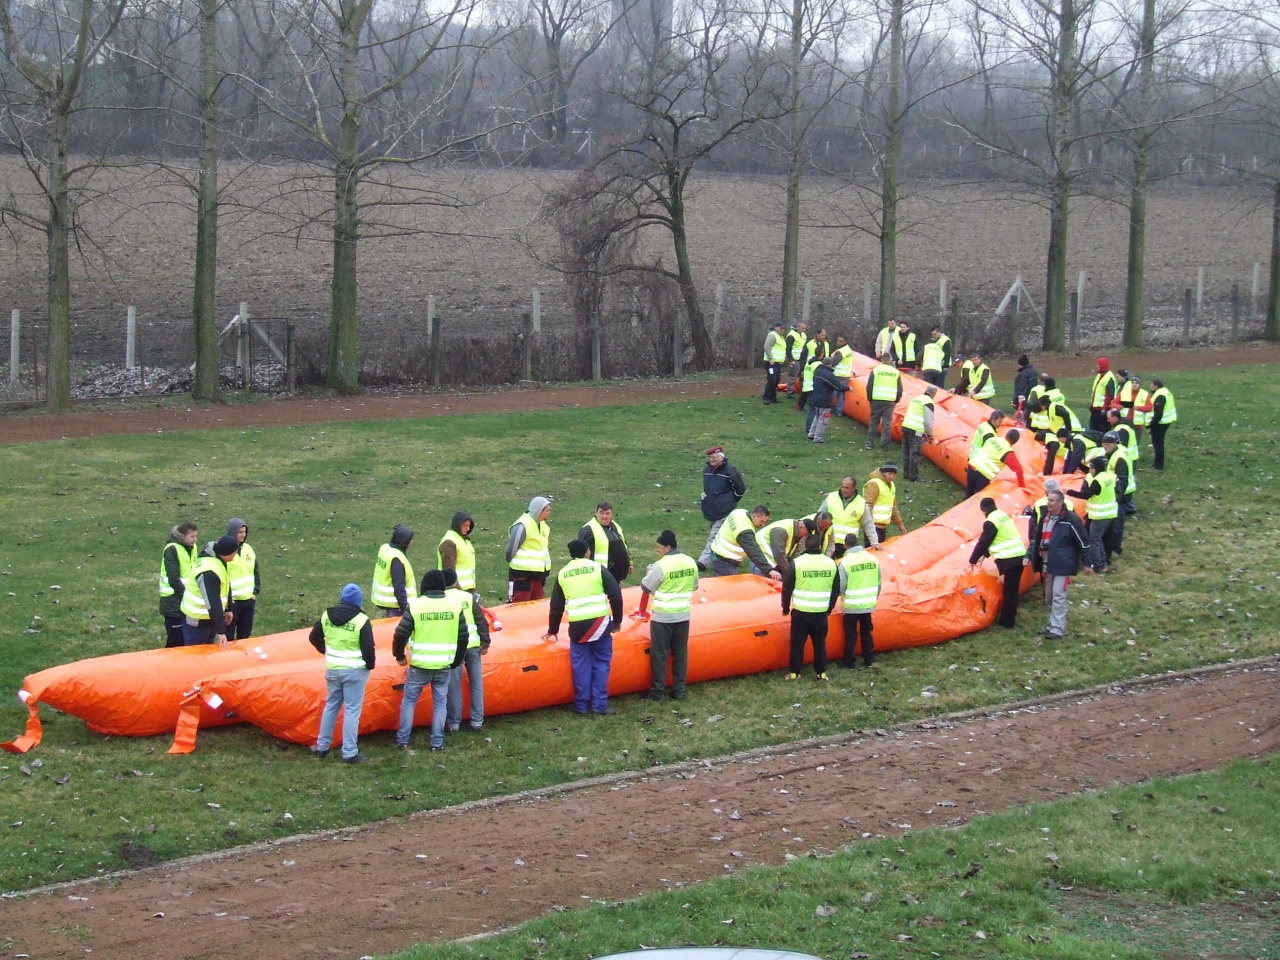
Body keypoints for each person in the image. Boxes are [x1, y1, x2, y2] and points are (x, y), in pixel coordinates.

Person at [545, 539, 624, 715]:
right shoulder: (597, 568)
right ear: (587, 552)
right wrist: (617, 620)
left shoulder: (563, 574)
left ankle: (581, 705)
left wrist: (553, 630)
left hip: (577, 627)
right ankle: (599, 705)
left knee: (580, 665)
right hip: (600, 624)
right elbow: (616, 596)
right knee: (601, 663)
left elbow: (556, 606)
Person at [393, 570, 468, 752]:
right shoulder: (455, 607)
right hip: (443, 664)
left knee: (409, 702)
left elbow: (401, 633)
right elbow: (463, 638)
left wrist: (399, 655)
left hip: (419, 664)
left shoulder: (416, 606)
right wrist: (456, 661)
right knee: (440, 703)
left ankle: (402, 740)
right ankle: (437, 742)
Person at [309, 583, 375, 764]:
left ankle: (322, 747)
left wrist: (327, 652)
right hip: (355, 671)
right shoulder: (361, 620)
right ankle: (349, 752)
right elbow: (368, 648)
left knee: (331, 706)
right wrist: (370, 665)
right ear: (359, 602)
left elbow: (313, 637)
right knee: (352, 712)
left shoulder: (326, 616)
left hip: (334, 669)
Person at [633, 530, 699, 701]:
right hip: (683, 616)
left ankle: (658, 691)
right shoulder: (690, 562)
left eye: (659, 547)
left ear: (668, 548)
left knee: (660, 654)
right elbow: (695, 586)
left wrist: (649, 572)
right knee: (680, 653)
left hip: (663, 618)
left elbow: (646, 588)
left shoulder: (660, 566)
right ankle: (679, 690)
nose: (657, 550)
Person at [1026, 488, 1088, 640]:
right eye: (1048, 500)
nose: (1049, 503)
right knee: (1049, 596)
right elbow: (1037, 538)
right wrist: (1030, 555)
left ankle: (1057, 629)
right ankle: (1051, 624)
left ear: (1060, 503)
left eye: (1052, 501)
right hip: (1047, 562)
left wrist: (1088, 562)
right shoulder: (1045, 518)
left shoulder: (1070, 519)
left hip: (1062, 563)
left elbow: (1082, 541)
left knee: (1058, 595)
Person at [781, 534, 839, 681]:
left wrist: (786, 608)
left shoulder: (797, 563)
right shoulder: (831, 563)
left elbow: (787, 588)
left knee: (797, 644)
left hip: (801, 612)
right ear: (820, 546)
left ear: (805, 546)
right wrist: (829, 608)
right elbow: (836, 589)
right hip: (820, 613)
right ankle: (821, 672)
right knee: (820, 644)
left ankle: (795, 673)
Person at [968, 497, 1027, 629]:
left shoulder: (991, 522)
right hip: (1019, 555)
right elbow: (1001, 538)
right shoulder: (1002, 516)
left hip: (1009, 558)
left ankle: (1007, 622)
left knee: (1009, 591)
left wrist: (972, 560)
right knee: (1013, 589)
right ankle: (1010, 615)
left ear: (983, 510)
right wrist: (985, 555)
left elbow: (983, 541)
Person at [443, 568, 490, 734]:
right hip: (473, 645)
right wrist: (485, 642)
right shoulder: (467, 597)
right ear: (456, 582)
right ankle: (477, 720)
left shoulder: (441, 600)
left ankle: (454, 723)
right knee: (476, 683)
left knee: (454, 686)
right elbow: (480, 620)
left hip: (454, 648)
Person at [180, 535, 239, 647]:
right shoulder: (209, 572)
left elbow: (225, 584)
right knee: (195, 654)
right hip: (197, 621)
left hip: (208, 619)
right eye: (235, 553)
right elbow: (213, 601)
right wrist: (221, 631)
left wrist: (228, 608)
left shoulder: (217, 560)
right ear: (227, 553)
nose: (236, 556)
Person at [699, 446, 746, 569]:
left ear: (721, 457)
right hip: (711, 510)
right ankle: (727, 557)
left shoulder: (730, 471)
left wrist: (731, 500)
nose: (711, 460)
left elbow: (740, 488)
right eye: (709, 457)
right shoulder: (706, 470)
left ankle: (702, 562)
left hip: (724, 510)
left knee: (713, 537)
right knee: (719, 537)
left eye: (713, 457)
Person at [837, 533, 880, 667]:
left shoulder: (845, 563)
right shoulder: (873, 559)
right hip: (868, 604)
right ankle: (869, 659)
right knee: (867, 633)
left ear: (846, 545)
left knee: (851, 635)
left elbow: (841, 586)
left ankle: (849, 662)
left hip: (851, 605)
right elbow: (879, 583)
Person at [1069, 456, 1118, 573]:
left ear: (1097, 468)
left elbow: (1086, 495)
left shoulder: (1097, 481)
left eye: (1091, 468)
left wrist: (1069, 492)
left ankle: (1098, 566)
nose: (1090, 470)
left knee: (1094, 540)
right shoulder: (1107, 477)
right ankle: (1103, 563)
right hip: (1110, 513)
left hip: (1100, 515)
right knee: (1098, 539)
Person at [711, 505, 783, 579]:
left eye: (765, 522)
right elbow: (754, 552)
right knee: (728, 587)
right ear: (754, 516)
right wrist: (769, 570)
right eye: (761, 521)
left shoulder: (739, 512)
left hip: (717, 553)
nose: (762, 525)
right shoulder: (745, 532)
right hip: (725, 561)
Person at [159, 520, 199, 648]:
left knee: (185, 638)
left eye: (196, 536)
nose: (195, 540)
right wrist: (187, 595)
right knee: (175, 640)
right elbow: (173, 579)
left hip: (185, 598)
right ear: (182, 537)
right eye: (192, 536)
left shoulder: (192, 548)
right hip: (173, 599)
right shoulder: (172, 549)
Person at [506, 496, 552, 602]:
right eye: (547, 510)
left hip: (538, 575)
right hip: (523, 576)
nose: (549, 513)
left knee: (535, 607)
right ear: (539, 510)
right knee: (519, 606)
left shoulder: (542, 525)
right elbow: (510, 550)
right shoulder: (522, 525)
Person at [818, 477, 878, 551]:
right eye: (842, 487)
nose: (843, 490)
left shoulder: (861, 503)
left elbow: (868, 524)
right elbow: (818, 517)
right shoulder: (831, 497)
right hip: (829, 543)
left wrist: (874, 542)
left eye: (847, 488)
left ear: (853, 488)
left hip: (849, 545)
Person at [579, 501, 632, 584]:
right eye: (601, 513)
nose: (604, 516)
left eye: (607, 513)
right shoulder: (588, 530)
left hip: (616, 574)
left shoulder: (615, 526)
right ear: (596, 513)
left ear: (612, 515)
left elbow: (624, 544)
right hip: (600, 575)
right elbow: (581, 553)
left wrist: (629, 563)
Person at [225, 518, 260, 640]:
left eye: (244, 531)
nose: (243, 535)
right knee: (228, 634)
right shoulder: (225, 550)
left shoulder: (248, 549)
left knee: (245, 635)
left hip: (248, 599)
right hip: (232, 601)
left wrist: (256, 589)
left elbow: (255, 569)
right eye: (240, 532)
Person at [372, 524, 417, 618]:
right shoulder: (397, 559)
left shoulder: (385, 548)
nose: (411, 542)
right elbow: (399, 586)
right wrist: (405, 609)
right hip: (395, 605)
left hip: (386, 601)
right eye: (409, 540)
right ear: (403, 542)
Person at [863, 463, 908, 545]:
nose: (892, 477)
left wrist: (900, 525)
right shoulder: (874, 484)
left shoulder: (891, 485)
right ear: (883, 473)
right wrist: (869, 526)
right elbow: (867, 506)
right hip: (873, 528)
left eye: (894, 474)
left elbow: (893, 507)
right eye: (889, 474)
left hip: (882, 527)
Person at [807, 355, 848, 443]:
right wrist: (848, 388)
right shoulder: (828, 374)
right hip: (824, 399)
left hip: (816, 397)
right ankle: (818, 437)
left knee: (817, 416)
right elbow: (838, 386)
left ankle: (812, 433)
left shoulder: (817, 371)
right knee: (824, 419)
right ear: (830, 364)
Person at [866, 354, 903, 451]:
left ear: (881, 360)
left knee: (874, 421)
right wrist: (896, 400)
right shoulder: (896, 372)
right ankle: (884, 446)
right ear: (890, 360)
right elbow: (900, 389)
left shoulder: (875, 370)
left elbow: (869, 386)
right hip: (890, 401)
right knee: (887, 424)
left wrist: (870, 399)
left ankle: (870, 443)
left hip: (876, 399)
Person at [900, 385, 937, 482]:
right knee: (915, 453)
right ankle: (913, 476)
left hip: (906, 425)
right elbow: (928, 420)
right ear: (933, 394)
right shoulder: (928, 402)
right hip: (916, 429)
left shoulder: (916, 399)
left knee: (906, 451)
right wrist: (930, 434)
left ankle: (906, 473)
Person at [437, 511, 478, 593]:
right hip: (456, 591)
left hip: (466, 590)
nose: (468, 528)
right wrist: (457, 591)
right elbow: (449, 571)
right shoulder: (449, 542)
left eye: (469, 526)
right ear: (458, 525)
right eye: (465, 526)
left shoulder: (464, 540)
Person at [1148, 378, 1176, 470]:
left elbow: (1159, 412)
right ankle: (1157, 464)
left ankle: (1158, 465)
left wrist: (1152, 423)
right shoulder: (1165, 391)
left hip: (1160, 423)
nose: (1150, 386)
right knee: (1159, 443)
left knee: (1158, 444)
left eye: (1151, 385)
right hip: (1165, 421)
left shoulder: (1160, 395)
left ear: (1156, 386)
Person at [1089, 358, 1118, 432]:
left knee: (1102, 431)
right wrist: (1092, 405)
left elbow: (1109, 396)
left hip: (1103, 411)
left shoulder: (1109, 377)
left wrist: (1104, 409)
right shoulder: (1099, 375)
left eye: (1098, 364)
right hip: (1095, 409)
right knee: (1092, 430)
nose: (1096, 366)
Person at [829, 334, 854, 417]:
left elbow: (833, 362)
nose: (838, 343)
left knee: (833, 392)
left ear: (845, 341)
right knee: (841, 394)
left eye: (840, 341)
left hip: (838, 375)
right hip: (846, 375)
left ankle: (826, 408)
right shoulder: (848, 350)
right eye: (838, 341)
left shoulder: (841, 351)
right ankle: (839, 411)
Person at [762, 321, 787, 404]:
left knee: (776, 380)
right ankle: (766, 397)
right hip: (771, 363)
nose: (782, 330)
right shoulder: (773, 335)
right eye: (781, 328)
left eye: (783, 328)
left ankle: (773, 396)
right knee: (772, 379)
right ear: (776, 327)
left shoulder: (781, 337)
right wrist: (770, 358)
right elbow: (767, 346)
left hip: (777, 363)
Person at [1013, 355, 1040, 423]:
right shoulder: (1036, 372)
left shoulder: (1023, 374)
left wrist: (1015, 401)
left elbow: (1021, 389)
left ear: (1020, 364)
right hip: (1034, 399)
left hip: (1025, 401)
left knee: (1021, 420)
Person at [784, 320, 808, 393]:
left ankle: (800, 390)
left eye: (804, 328)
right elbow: (788, 348)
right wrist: (791, 360)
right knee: (792, 376)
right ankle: (790, 392)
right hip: (794, 359)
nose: (804, 330)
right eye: (802, 328)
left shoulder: (803, 335)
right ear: (797, 327)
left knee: (801, 375)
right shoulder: (791, 335)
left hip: (802, 359)